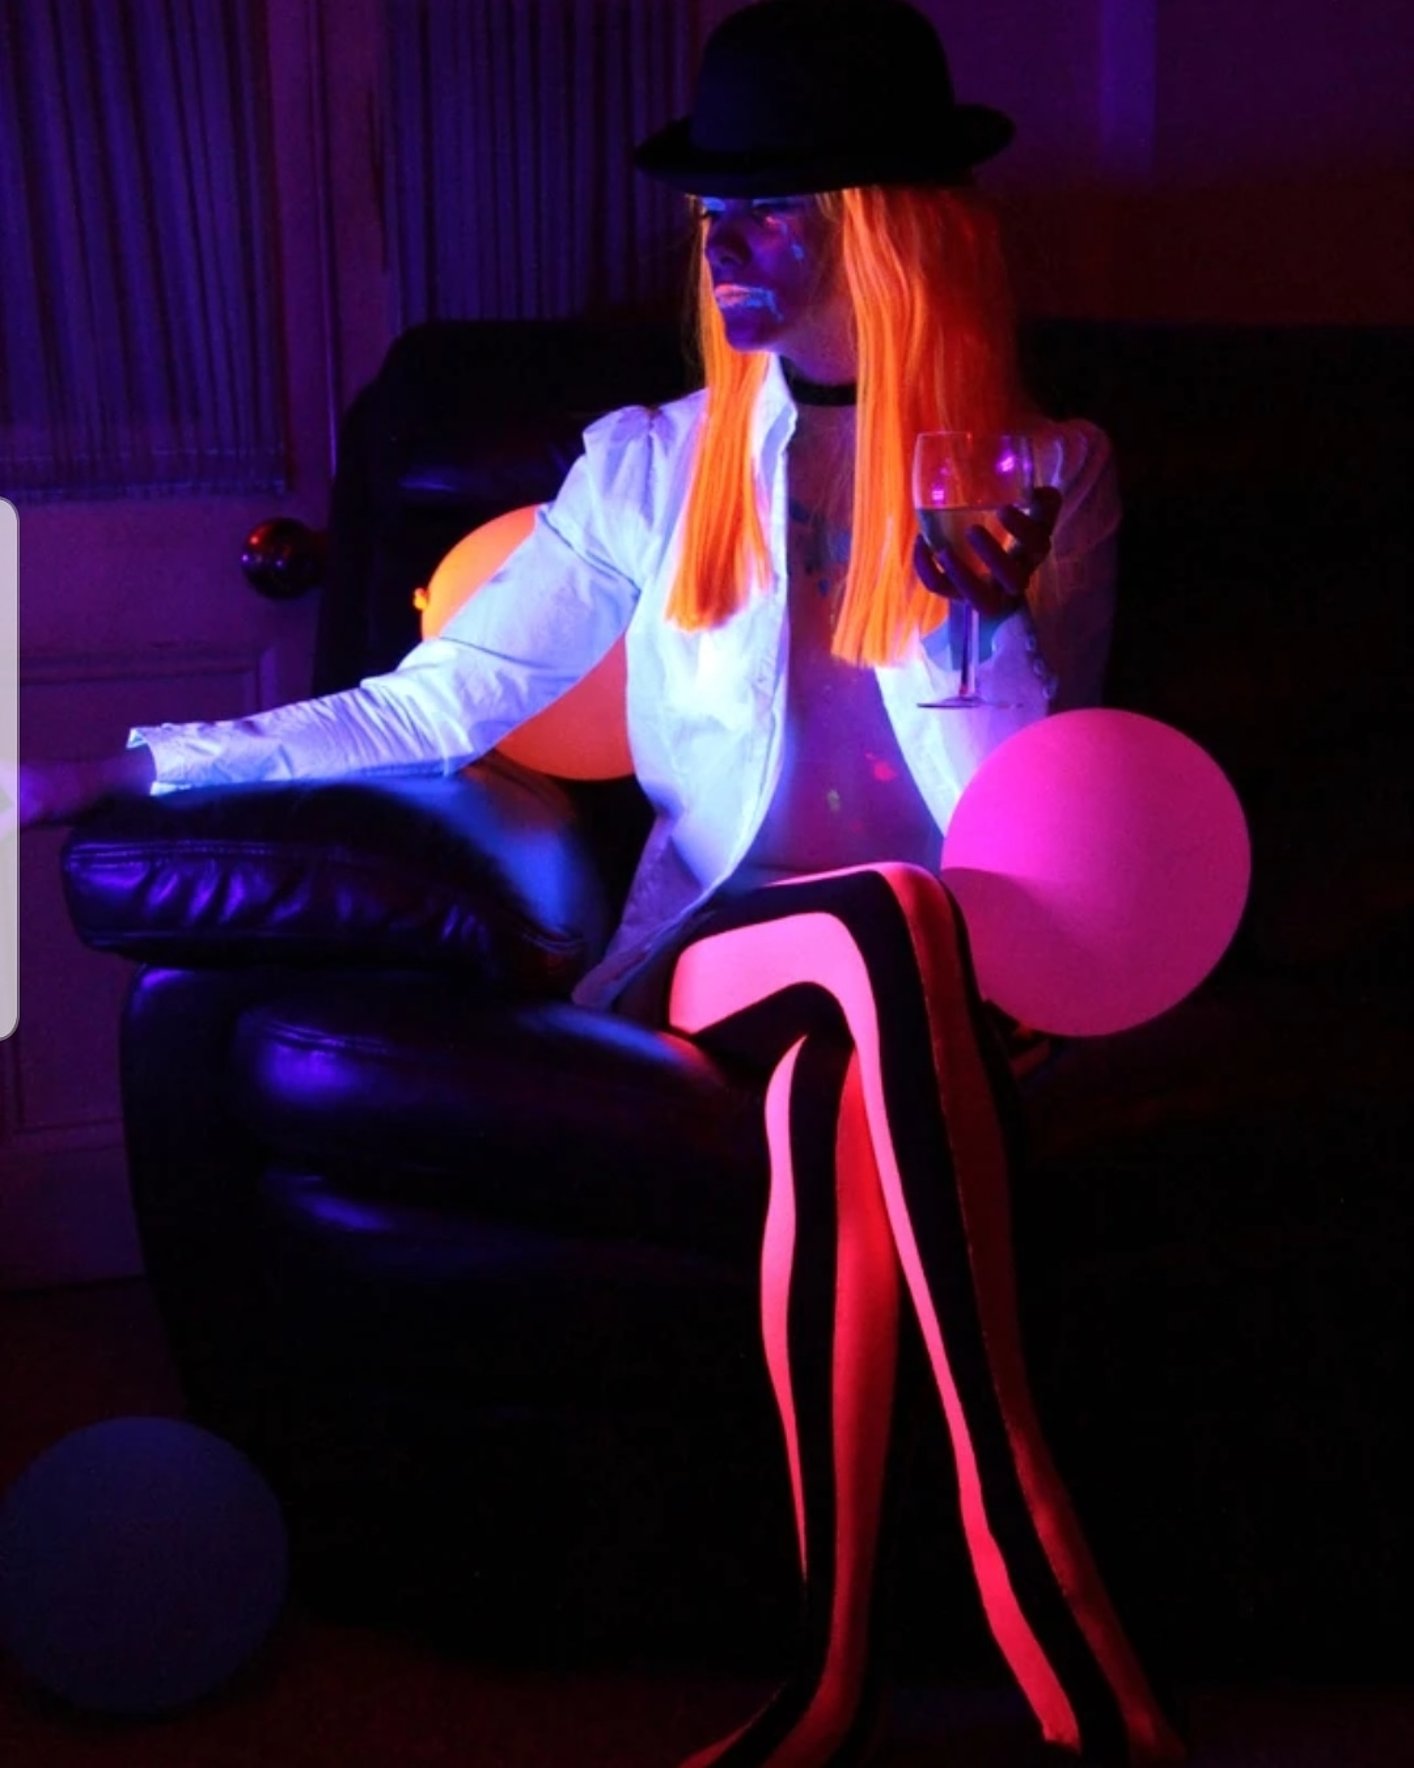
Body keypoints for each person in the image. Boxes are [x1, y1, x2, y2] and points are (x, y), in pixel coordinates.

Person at [19, 3, 1184, 1763]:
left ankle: (823, 1684)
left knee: (854, 1102)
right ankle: (1064, 1633)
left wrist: (974, 620)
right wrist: (121, 770)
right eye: (715, 214)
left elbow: (1026, 818)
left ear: (891, 231)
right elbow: (433, 705)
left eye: (775, 211)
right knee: (877, 924)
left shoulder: (1049, 472)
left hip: (954, 977)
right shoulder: (650, 463)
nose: (724, 248)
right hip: (726, 953)